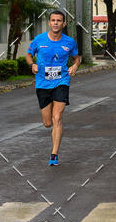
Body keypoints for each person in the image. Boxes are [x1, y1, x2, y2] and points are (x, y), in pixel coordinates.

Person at [26, 10, 81, 166]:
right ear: (49, 23)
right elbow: (29, 54)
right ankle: (52, 133)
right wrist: (32, 64)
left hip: (61, 82)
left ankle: (54, 154)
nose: (56, 23)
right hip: (43, 84)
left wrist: (75, 66)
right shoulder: (39, 40)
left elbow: (77, 58)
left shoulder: (69, 42)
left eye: (59, 20)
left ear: (63, 24)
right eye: (53, 20)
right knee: (47, 123)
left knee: (57, 118)